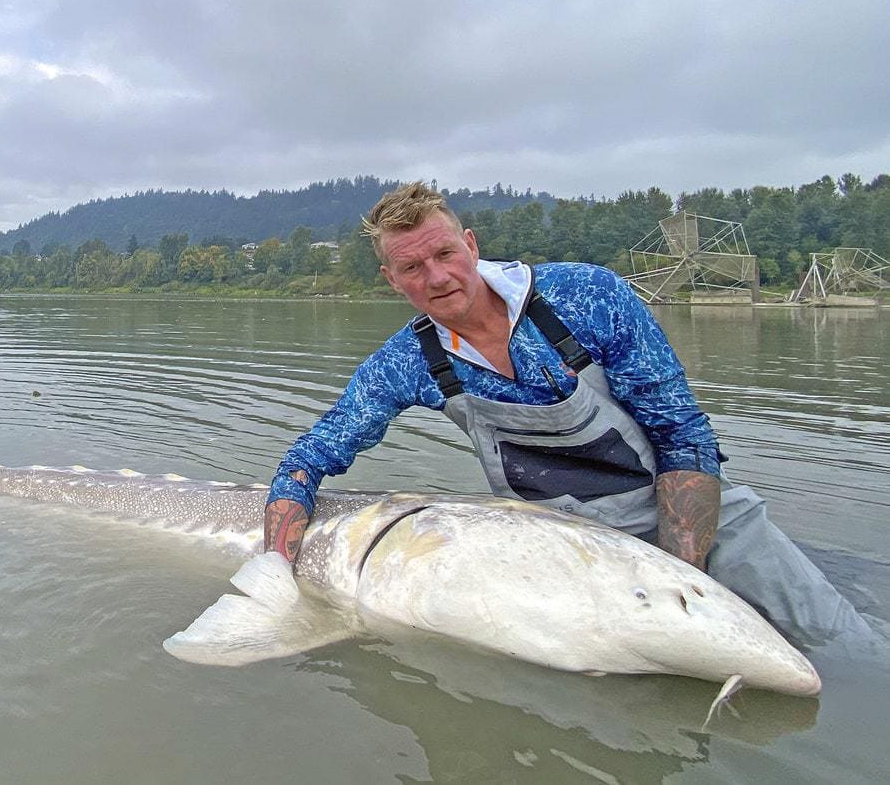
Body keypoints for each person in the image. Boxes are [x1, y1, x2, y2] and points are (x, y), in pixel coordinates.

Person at [264, 181, 871, 648]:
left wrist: (680, 582)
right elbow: (308, 462)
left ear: (470, 245)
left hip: (694, 518)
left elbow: (680, 433)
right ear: (391, 279)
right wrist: (274, 574)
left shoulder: (587, 294)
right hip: (563, 546)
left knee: (844, 646)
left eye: (446, 253)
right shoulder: (404, 363)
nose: (438, 276)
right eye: (412, 268)